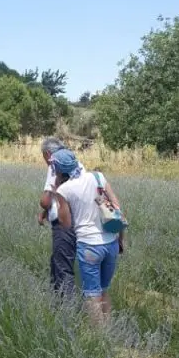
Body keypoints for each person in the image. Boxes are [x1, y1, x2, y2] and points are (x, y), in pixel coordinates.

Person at [51, 149, 123, 320]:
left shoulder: (64, 190)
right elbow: (117, 208)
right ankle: (109, 329)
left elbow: (66, 223)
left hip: (89, 246)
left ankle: (100, 338)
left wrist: (57, 194)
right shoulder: (98, 177)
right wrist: (121, 239)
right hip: (110, 242)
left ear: (60, 171)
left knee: (92, 294)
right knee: (104, 289)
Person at [38, 137, 77, 297]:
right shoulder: (73, 161)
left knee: (62, 267)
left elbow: (46, 200)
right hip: (77, 216)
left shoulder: (55, 165)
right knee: (59, 262)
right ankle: (57, 300)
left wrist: (44, 208)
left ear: (47, 154)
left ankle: (66, 310)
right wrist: (44, 214)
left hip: (64, 222)